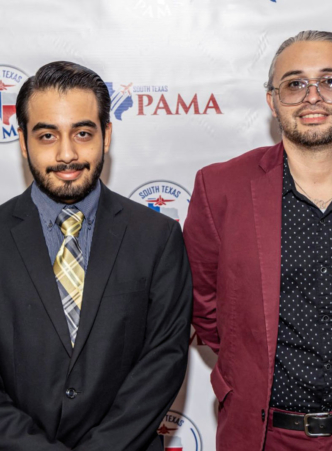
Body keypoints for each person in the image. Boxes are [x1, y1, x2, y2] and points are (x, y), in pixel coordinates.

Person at [183, 30, 332, 451]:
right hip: (265, 437)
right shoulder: (221, 188)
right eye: (294, 84)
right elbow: (206, 308)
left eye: (330, 81)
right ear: (273, 101)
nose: (312, 96)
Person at [0, 61, 192, 450]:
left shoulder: (156, 236)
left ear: (106, 135)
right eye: (47, 135)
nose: (67, 154)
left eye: (82, 133)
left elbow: (163, 362)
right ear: (22, 142)